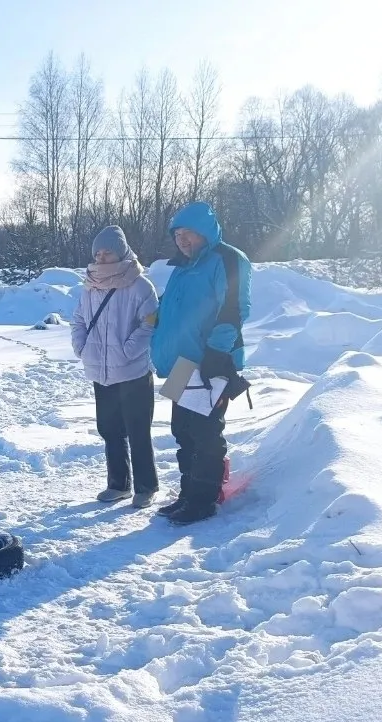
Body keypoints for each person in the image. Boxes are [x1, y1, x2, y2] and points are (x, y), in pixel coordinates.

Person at [152, 201, 251, 525]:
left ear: (205, 232)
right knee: (183, 432)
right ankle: (188, 493)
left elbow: (234, 309)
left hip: (208, 362)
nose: (182, 240)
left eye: (188, 234)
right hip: (182, 364)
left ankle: (203, 501)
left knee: (205, 433)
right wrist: (151, 318)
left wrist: (216, 354)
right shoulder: (183, 267)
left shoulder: (227, 258)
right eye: (177, 235)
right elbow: (170, 307)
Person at [70, 225, 160, 509]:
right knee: (109, 429)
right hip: (101, 371)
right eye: (97, 253)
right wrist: (81, 347)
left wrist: (128, 350)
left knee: (138, 431)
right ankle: (118, 484)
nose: (101, 257)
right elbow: (78, 320)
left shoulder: (140, 285)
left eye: (107, 252)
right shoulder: (90, 285)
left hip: (133, 371)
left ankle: (146, 487)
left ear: (121, 252)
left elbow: (150, 323)